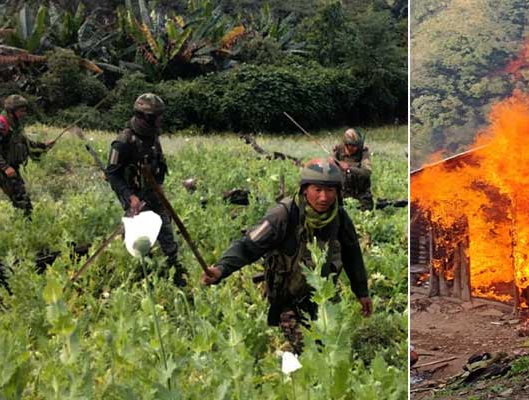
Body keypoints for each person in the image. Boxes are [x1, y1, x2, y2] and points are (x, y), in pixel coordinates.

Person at [202, 158, 373, 353]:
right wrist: (221, 269)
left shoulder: (339, 217)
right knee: (306, 353)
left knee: (333, 349)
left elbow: (353, 254)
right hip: (288, 301)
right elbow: (248, 247)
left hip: (323, 299)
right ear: (304, 190)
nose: (324, 197)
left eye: (330, 190)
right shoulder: (283, 214)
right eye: (317, 190)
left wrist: (362, 292)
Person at [106, 93, 188, 287]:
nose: (160, 120)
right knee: (141, 237)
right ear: (145, 116)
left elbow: (158, 161)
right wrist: (129, 196)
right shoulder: (123, 142)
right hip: (134, 196)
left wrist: (158, 183)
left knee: (165, 228)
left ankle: (174, 267)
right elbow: (112, 174)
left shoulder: (153, 134)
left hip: (154, 191)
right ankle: (143, 274)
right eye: (156, 116)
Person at [0, 95, 54, 216]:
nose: (24, 113)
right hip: (1, 168)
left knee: (20, 196)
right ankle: (26, 223)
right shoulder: (0, 124)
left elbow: (25, 141)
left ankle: (23, 220)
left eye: (24, 110)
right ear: (11, 111)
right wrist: (5, 168)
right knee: (21, 198)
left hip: (12, 166)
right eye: (21, 111)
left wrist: (44, 146)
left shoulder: (14, 124)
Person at [332, 128, 374, 210]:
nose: (355, 148)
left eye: (356, 146)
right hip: (342, 193)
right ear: (346, 145)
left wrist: (349, 168)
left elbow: (367, 172)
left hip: (361, 193)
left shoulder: (363, 152)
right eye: (353, 146)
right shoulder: (338, 150)